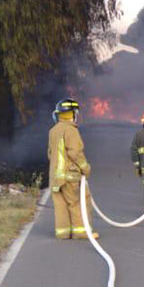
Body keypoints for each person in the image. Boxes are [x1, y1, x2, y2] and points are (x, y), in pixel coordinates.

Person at [47, 97, 96, 239]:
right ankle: (80, 231)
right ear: (73, 114)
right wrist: (85, 168)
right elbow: (75, 153)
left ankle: (63, 233)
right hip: (70, 176)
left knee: (60, 205)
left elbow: (50, 153)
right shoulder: (71, 131)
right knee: (77, 202)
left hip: (55, 178)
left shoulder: (53, 131)